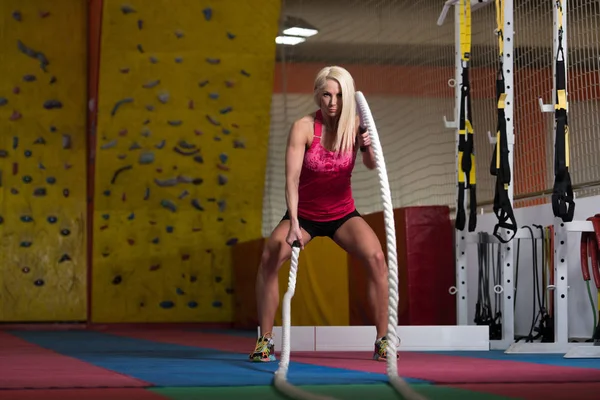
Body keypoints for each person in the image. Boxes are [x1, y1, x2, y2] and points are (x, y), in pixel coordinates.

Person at [250, 66, 397, 363]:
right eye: (327, 95)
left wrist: (366, 148)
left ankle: (383, 340)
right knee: (270, 256)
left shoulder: (357, 124)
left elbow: (370, 165)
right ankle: (265, 340)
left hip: (342, 213)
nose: (332, 102)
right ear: (318, 94)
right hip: (304, 215)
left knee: (377, 259)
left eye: (339, 95)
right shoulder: (303, 127)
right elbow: (291, 179)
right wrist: (292, 223)